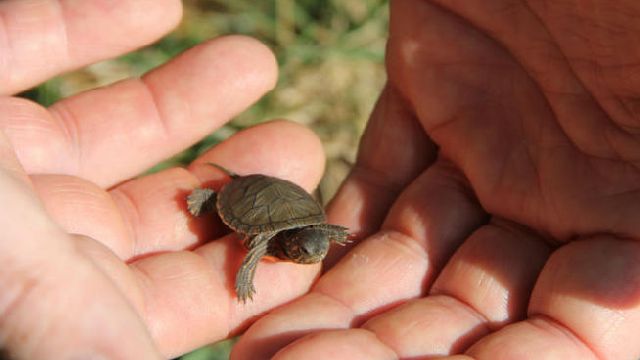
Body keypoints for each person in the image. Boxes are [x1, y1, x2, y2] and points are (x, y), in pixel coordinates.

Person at [1, 1, 639, 359]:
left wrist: (327, 236)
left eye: (311, 247)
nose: (311, 252)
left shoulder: (311, 236)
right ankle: (208, 191)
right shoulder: (268, 238)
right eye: (309, 247)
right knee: (212, 196)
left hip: (287, 203)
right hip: (249, 196)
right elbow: (258, 241)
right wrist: (240, 267)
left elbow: (317, 234)